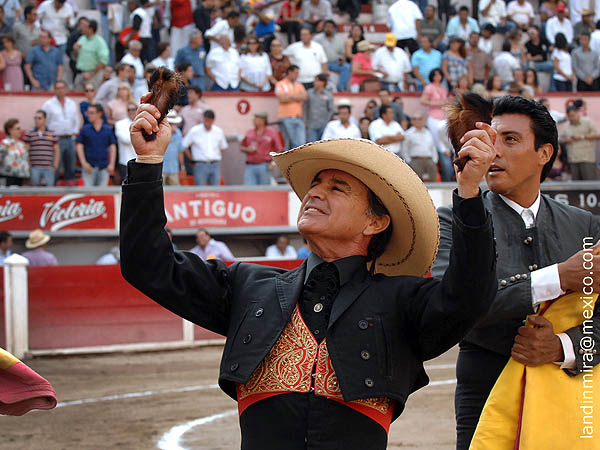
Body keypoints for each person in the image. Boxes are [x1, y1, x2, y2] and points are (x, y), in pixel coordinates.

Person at [121, 96, 497, 449]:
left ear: (375, 222)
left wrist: (467, 192)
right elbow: (148, 265)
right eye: (315, 183)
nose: (315, 193)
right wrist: (149, 163)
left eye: (337, 187)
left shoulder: (402, 300)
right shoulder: (247, 285)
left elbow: (469, 296)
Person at [432, 95, 600, 450]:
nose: (495, 152)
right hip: (485, 381)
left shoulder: (584, 224)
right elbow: (449, 305)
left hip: (569, 385)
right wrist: (559, 277)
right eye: (492, 141)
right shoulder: (450, 220)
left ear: (544, 153)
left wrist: (563, 346)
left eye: (510, 140)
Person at [42, 80, 80, 185]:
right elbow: (45, 121)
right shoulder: (48, 104)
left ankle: (70, 190)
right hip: (56, 140)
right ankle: (53, 190)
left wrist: (74, 134)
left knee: (71, 166)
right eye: (57, 88)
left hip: (70, 138)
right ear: (54, 90)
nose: (60, 90)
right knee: (55, 166)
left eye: (62, 87)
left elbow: (75, 120)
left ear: (66, 89)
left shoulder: (71, 103)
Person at [420, 68, 452, 181]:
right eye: (435, 75)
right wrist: (436, 103)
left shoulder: (443, 88)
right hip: (433, 116)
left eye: (439, 74)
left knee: (444, 139)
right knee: (436, 141)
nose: (437, 77)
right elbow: (423, 100)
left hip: (443, 116)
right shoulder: (429, 87)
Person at [182, 109, 227, 186]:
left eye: (209, 120)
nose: (207, 123)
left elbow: (223, 147)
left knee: (216, 190)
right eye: (206, 120)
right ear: (203, 119)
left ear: (213, 120)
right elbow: (184, 145)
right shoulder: (195, 130)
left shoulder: (218, 131)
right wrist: (191, 158)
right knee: (200, 190)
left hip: (214, 164)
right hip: (200, 164)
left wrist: (217, 157)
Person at [75, 103, 116, 187]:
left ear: (99, 114)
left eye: (91, 113)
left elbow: (112, 147)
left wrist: (111, 164)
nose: (88, 115)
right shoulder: (85, 129)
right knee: (88, 193)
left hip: (104, 167)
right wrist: (83, 163)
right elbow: (79, 146)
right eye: (88, 112)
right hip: (89, 167)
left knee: (102, 193)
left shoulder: (107, 129)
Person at [240, 112, 283, 185]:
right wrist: (248, 149)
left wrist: (273, 163)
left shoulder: (272, 133)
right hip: (250, 165)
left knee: (264, 190)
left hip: (265, 165)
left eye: (256, 119)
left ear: (262, 121)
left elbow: (279, 149)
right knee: (248, 189)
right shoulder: (249, 132)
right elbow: (242, 147)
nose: (253, 121)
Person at [561, 105, 600, 180]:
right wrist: (567, 140)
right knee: (576, 187)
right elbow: (561, 139)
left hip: (587, 159)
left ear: (578, 113)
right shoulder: (566, 126)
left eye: (573, 115)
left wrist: (582, 137)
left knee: (589, 185)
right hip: (573, 160)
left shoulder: (587, 122)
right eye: (569, 116)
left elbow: (597, 135)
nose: (571, 118)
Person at [24, 110, 59, 186]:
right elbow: (25, 151)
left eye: (39, 118)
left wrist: (55, 165)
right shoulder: (29, 133)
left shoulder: (52, 133)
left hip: (48, 167)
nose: (37, 120)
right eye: (35, 118)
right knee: (34, 191)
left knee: (49, 191)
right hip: (34, 167)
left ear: (45, 119)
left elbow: (57, 150)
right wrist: (29, 165)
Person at [275, 64, 307, 150]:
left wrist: (289, 96)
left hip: (298, 116)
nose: (297, 75)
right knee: (289, 142)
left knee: (300, 143)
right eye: (296, 73)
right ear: (290, 72)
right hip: (285, 117)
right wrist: (296, 97)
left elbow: (304, 97)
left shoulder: (299, 85)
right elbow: (281, 98)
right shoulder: (280, 84)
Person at [314, 19, 350, 92]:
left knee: (346, 67)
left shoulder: (339, 39)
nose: (328, 29)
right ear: (323, 28)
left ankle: (341, 88)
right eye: (326, 27)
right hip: (321, 63)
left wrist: (342, 59)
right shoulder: (317, 38)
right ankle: (323, 88)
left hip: (335, 63)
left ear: (334, 28)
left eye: (331, 27)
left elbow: (342, 53)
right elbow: (313, 52)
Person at [73, 19, 110, 90]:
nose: (82, 29)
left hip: (93, 75)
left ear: (91, 29)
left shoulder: (100, 42)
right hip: (80, 74)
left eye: (85, 27)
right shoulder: (82, 39)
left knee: (92, 97)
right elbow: (75, 57)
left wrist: (92, 73)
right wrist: (75, 50)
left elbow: (103, 60)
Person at [403, 112, 438, 181]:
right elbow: (405, 149)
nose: (417, 121)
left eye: (419, 119)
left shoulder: (428, 132)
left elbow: (433, 148)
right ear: (412, 121)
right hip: (416, 161)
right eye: (415, 119)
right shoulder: (408, 133)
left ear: (423, 121)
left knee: (433, 182)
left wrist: (434, 160)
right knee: (417, 184)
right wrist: (409, 162)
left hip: (430, 160)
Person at [304, 73, 334, 142]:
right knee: (312, 145)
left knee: (323, 144)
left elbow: (331, 109)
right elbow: (305, 107)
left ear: (323, 82)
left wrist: (327, 121)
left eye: (317, 81)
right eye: (315, 81)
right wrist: (305, 121)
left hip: (324, 124)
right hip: (311, 124)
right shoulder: (309, 93)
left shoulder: (328, 95)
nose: (315, 83)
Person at [0, 118, 29, 186]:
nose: (20, 131)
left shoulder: (22, 144)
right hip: (8, 177)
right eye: (18, 128)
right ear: (10, 130)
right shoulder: (4, 144)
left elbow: (26, 160)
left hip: (21, 177)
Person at [114, 102, 137, 182]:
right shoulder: (119, 124)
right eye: (129, 110)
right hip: (125, 161)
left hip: (139, 161)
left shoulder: (142, 122)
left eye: (133, 109)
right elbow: (126, 140)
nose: (131, 111)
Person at [162, 110, 185, 185]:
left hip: (174, 169)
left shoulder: (178, 133)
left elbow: (180, 151)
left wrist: (182, 166)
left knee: (175, 192)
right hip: (161, 169)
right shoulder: (160, 131)